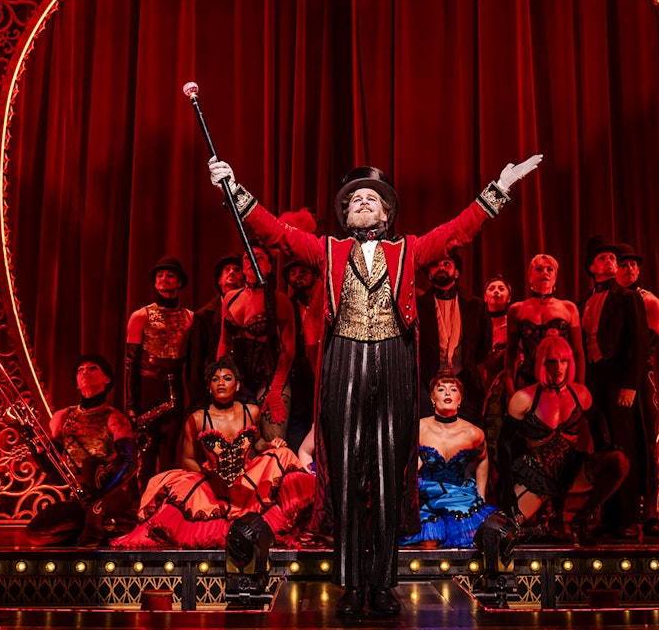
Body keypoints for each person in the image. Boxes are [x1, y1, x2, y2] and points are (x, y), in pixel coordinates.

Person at [206, 153, 541, 617]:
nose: (363, 203)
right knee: (345, 473)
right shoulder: (326, 250)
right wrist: (233, 190)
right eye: (355, 200)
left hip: (393, 364)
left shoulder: (408, 250)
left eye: (372, 199)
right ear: (345, 216)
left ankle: (383, 584)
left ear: (386, 214)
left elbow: (458, 229)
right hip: (344, 360)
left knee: (387, 472)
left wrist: (498, 188)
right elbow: (274, 233)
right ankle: (350, 585)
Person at [112, 358, 315, 548]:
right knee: (173, 496)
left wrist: (271, 444)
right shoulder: (198, 418)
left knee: (283, 454)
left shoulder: (251, 412)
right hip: (211, 483)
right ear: (209, 387)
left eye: (227, 379)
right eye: (215, 379)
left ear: (236, 386)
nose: (220, 383)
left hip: (246, 482)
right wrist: (210, 476)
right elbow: (188, 460)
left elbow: (258, 443)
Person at [498, 335, 628, 543]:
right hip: (537, 477)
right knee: (501, 532)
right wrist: (508, 491)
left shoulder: (580, 394)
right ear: (542, 363)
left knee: (619, 461)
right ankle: (543, 523)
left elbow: (597, 418)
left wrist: (604, 445)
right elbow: (503, 445)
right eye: (552, 361)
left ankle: (581, 520)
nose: (558, 367)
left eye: (564, 361)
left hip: (571, 474)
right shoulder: (524, 398)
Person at [25, 355, 138, 547]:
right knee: (36, 534)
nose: (85, 371)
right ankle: (97, 533)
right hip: (82, 498)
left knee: (91, 464)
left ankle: (96, 525)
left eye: (92, 368)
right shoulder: (62, 417)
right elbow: (51, 467)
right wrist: (30, 440)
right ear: (77, 383)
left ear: (106, 379)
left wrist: (102, 494)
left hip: (112, 496)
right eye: (80, 370)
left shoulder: (114, 417)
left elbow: (130, 463)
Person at [580, 236, 650, 540]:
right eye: (603, 259)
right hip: (596, 380)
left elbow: (640, 344)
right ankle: (608, 517)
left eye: (613, 258)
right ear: (592, 267)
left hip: (619, 379)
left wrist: (630, 385)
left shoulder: (627, 297)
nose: (610, 262)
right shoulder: (587, 300)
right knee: (604, 448)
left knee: (625, 447)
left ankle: (630, 519)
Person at [401, 376, 494, 548]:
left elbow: (483, 459)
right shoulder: (419, 428)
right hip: (426, 496)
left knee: (470, 540)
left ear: (460, 399)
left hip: (458, 497)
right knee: (429, 540)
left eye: (453, 389)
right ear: (432, 398)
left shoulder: (473, 433)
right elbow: (402, 460)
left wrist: (481, 495)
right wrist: (414, 464)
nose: (447, 393)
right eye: (441, 389)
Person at [125, 257, 194, 486]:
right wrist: (131, 404)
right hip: (148, 390)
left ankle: (166, 502)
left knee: (169, 451)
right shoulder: (141, 316)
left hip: (175, 390)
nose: (164, 279)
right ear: (154, 283)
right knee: (146, 449)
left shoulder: (190, 317)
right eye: (160, 276)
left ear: (180, 283)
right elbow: (131, 363)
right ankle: (142, 502)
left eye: (170, 275)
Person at [217, 243, 296, 442]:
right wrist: (221, 379)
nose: (252, 260)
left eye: (259, 257)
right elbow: (224, 343)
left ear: (269, 267)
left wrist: (276, 389)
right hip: (240, 384)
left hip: (271, 382)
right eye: (247, 257)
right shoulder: (230, 299)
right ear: (243, 267)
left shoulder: (280, 301)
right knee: (240, 448)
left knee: (273, 443)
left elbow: (288, 349)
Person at [613, 242, 659, 538]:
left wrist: (630, 382)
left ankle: (650, 512)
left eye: (634, 264)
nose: (630, 269)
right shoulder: (610, 299)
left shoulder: (650, 301)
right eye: (624, 264)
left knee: (646, 444)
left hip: (639, 379)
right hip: (613, 380)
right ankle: (623, 514)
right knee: (619, 447)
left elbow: (645, 345)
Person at [417, 253, 493, 423]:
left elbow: (485, 343)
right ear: (429, 274)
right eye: (436, 265)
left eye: (446, 264)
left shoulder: (476, 305)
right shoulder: (418, 306)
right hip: (427, 384)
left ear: (456, 272)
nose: (441, 268)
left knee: (469, 437)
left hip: (467, 384)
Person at [506, 253, 585, 391]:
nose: (545, 273)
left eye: (550, 269)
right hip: (526, 380)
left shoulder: (569, 308)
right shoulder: (516, 310)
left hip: (560, 381)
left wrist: (579, 387)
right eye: (539, 269)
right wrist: (509, 388)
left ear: (555, 277)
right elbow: (510, 353)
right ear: (530, 277)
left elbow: (578, 352)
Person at [186, 255, 243, 409]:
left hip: (246, 388)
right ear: (219, 280)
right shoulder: (204, 315)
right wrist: (196, 400)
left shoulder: (254, 309)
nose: (232, 272)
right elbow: (196, 362)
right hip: (215, 390)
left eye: (237, 270)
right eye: (227, 270)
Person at [283, 256, 323, 451]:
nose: (298, 276)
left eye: (303, 272)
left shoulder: (327, 304)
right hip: (298, 377)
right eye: (293, 273)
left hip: (324, 375)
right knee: (297, 422)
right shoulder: (286, 306)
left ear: (315, 275)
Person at [480, 274, 512, 504]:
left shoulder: (513, 324)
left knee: (500, 443)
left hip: (502, 393)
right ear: (485, 296)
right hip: (475, 389)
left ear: (509, 296)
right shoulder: (475, 322)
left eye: (502, 288)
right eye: (492, 288)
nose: (496, 292)